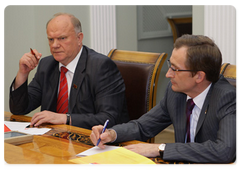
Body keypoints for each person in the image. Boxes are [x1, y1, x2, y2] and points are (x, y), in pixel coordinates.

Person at [90, 34, 237, 163]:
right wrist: (111, 133)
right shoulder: (175, 92)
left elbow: (224, 151)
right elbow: (143, 126)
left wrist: (160, 148)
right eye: (170, 66)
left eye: (176, 69)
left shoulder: (227, 98)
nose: (168, 74)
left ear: (199, 76)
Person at [9, 13, 129, 129]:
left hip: (93, 143)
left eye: (62, 38)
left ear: (79, 38)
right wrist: (23, 73)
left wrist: (65, 118)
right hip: (54, 141)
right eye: (51, 39)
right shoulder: (47, 65)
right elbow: (19, 109)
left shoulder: (101, 66)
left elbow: (109, 118)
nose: (55, 45)